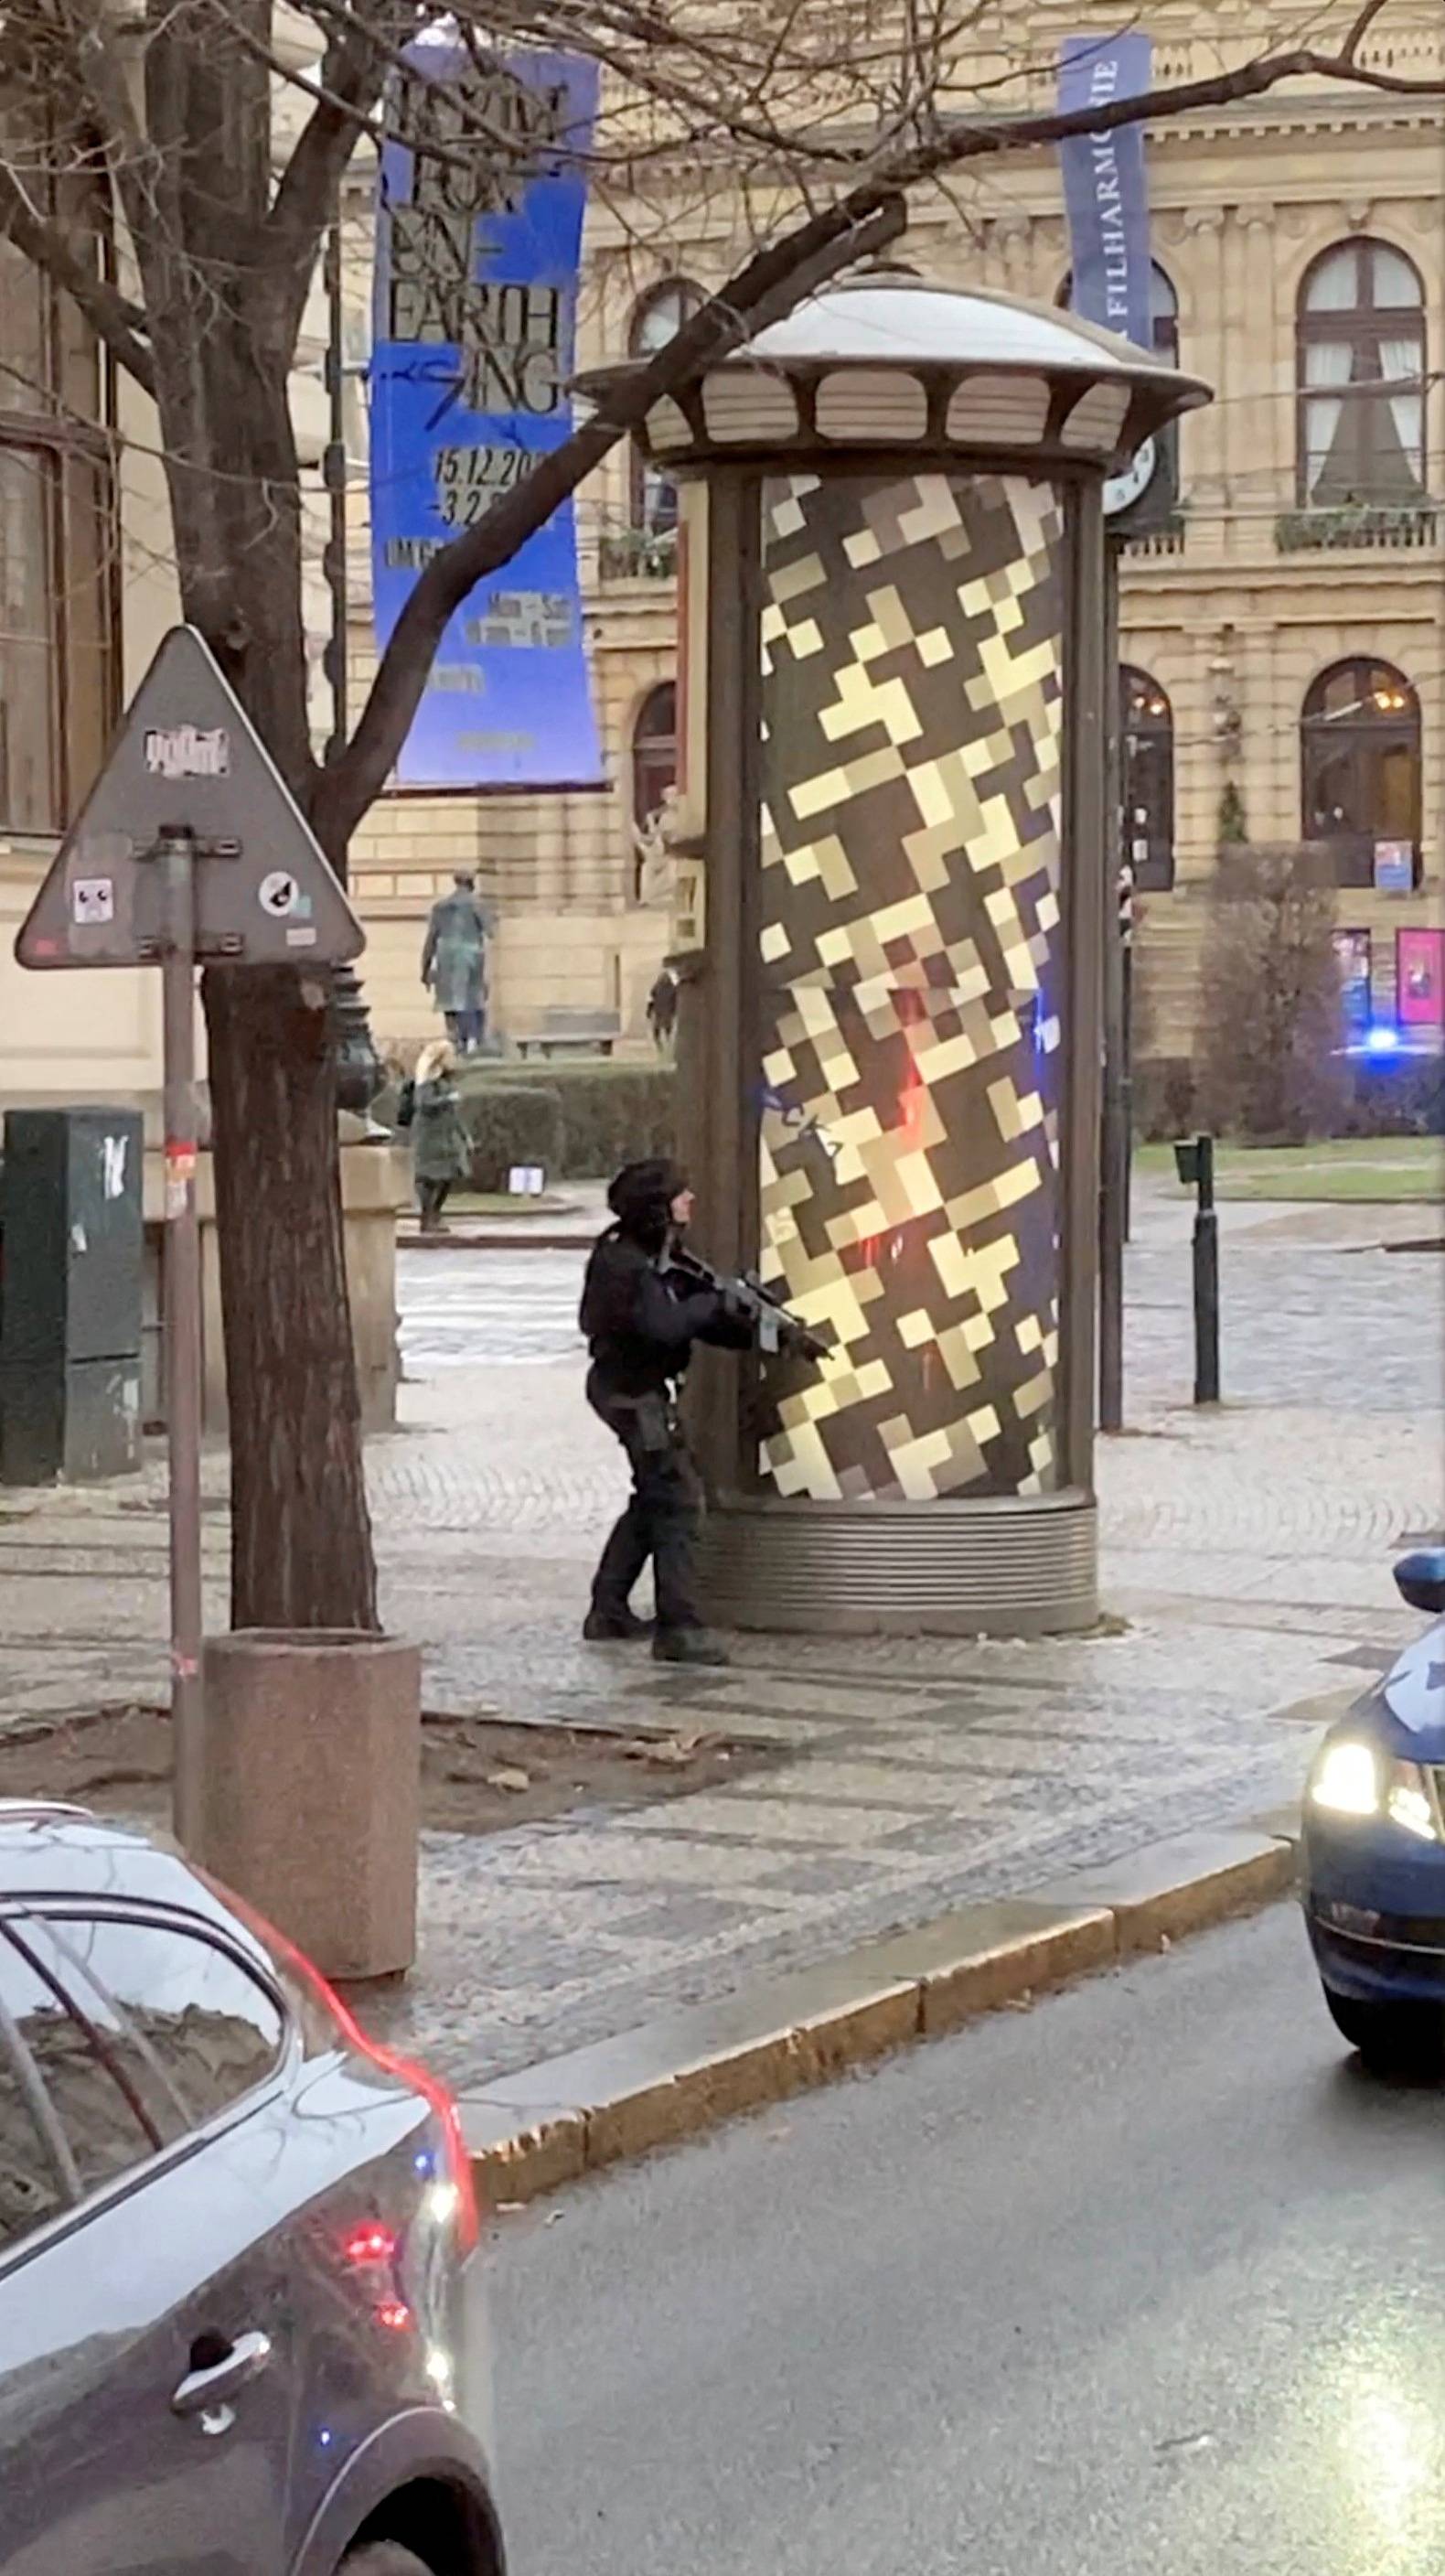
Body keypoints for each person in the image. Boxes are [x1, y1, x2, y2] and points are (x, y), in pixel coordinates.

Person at [579, 1158, 751, 1667]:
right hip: (633, 1393)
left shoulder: (644, 1253)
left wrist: (739, 1320)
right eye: (681, 1194)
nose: (690, 1200)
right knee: (676, 1501)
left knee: (655, 1498)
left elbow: (688, 1312)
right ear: (658, 1206)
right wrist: (713, 1307)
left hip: (632, 1388)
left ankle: (608, 1609)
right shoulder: (625, 1262)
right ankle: (679, 1628)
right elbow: (665, 1325)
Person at [422, 872, 493, 1053]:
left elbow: (430, 940)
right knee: (472, 999)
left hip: (445, 955)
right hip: (470, 954)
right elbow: (490, 931)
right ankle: (473, 1041)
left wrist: (425, 969)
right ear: (471, 884)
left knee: (449, 1001)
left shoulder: (440, 907)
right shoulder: (477, 904)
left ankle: (455, 1039)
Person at [410, 1038, 468, 1233]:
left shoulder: (447, 1080)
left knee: (449, 1176)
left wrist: (464, 1136)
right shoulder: (427, 1081)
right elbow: (423, 1104)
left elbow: (454, 1114)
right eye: (451, 1055)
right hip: (430, 1136)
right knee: (429, 1178)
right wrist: (446, 1099)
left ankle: (436, 1213)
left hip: (446, 1136)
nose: (454, 1059)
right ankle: (427, 1217)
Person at [646, 968, 678, 1055]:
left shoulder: (657, 986)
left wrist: (649, 1011)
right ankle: (665, 1046)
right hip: (666, 1012)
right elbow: (651, 999)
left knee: (658, 1031)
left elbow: (650, 999)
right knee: (666, 1030)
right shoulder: (672, 988)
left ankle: (662, 1047)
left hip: (660, 1011)